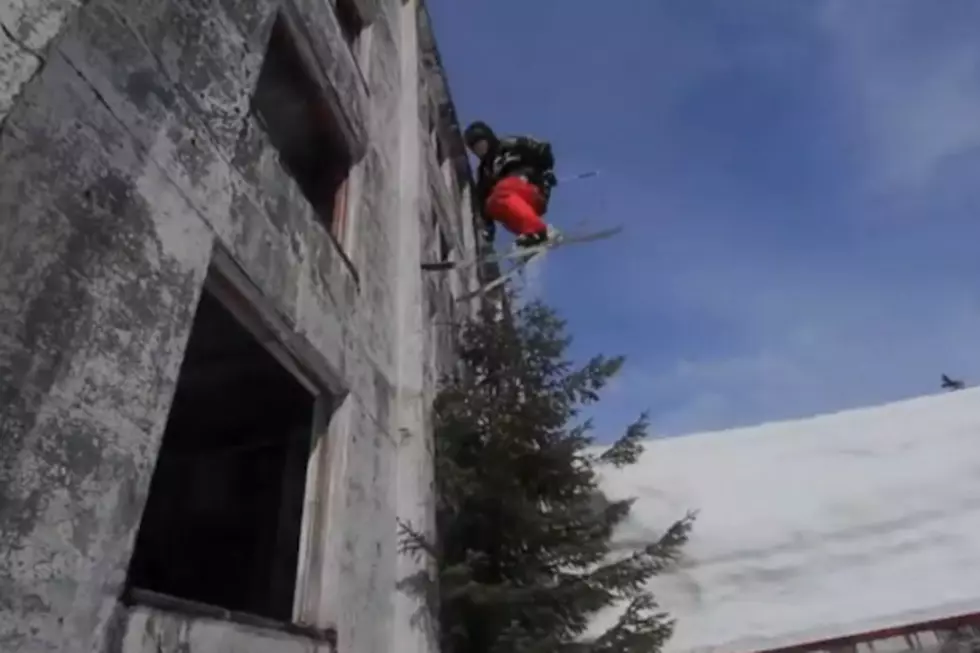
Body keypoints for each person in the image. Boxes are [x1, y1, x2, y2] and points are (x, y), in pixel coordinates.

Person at [463, 121, 559, 248]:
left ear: (488, 138)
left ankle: (538, 230)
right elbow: (482, 201)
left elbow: (541, 149)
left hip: (530, 186)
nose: (480, 150)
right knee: (492, 204)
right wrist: (488, 228)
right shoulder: (484, 172)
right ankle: (530, 237)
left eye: (481, 144)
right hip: (517, 201)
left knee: (502, 190)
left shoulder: (507, 145)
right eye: (476, 148)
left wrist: (547, 170)